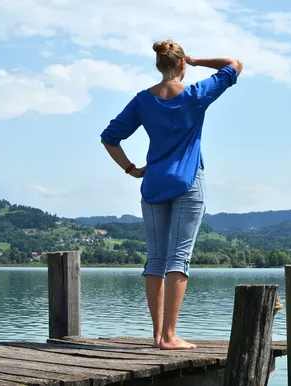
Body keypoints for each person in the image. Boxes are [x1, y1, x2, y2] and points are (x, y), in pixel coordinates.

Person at [100, 40, 243, 350]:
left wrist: (131, 169)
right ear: (181, 65)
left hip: (153, 184)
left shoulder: (142, 101)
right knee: (178, 258)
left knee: (155, 260)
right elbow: (234, 64)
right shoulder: (195, 94)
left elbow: (109, 138)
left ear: (158, 65)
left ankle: (157, 334)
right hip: (188, 182)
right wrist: (195, 59)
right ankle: (170, 335)